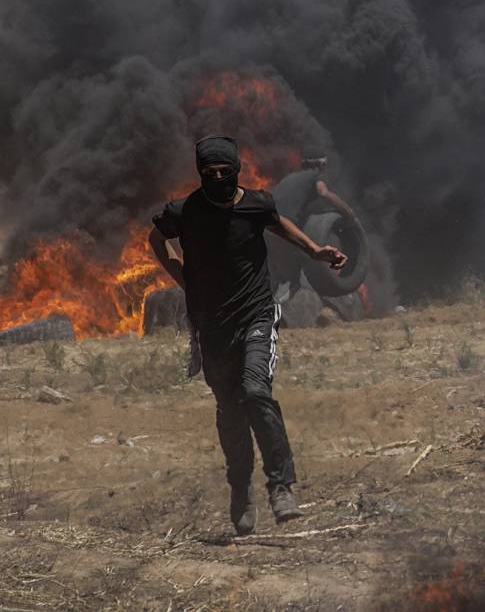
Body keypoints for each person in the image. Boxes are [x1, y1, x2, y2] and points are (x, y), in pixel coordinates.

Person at [148, 135, 347, 535]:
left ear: (236, 170)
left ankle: (281, 486)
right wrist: (182, 278)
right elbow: (157, 238)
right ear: (201, 173)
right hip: (212, 325)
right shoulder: (185, 211)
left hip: (256, 315)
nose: (218, 178)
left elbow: (279, 224)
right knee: (229, 409)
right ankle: (240, 488)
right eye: (210, 173)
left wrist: (314, 250)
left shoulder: (257, 204)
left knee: (255, 392)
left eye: (226, 171)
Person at [268, 148, 357, 296]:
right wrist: (347, 212)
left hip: (265, 227)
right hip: (285, 229)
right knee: (291, 282)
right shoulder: (316, 176)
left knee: (275, 279)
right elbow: (323, 192)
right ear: (321, 165)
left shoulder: (288, 179)